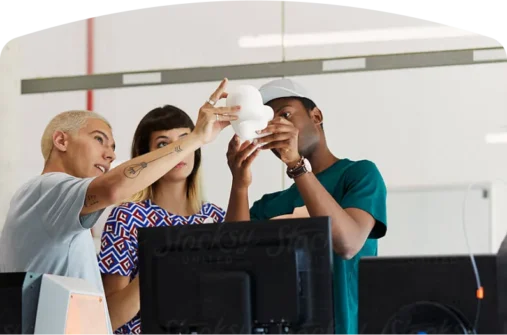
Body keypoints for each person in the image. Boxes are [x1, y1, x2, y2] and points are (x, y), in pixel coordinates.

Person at [0, 78, 238, 331]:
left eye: (113, 146)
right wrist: (196, 138)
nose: (111, 154)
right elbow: (113, 188)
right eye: (99, 139)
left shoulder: (50, 205)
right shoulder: (47, 189)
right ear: (61, 141)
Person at [225, 78, 387, 335]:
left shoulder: (358, 175)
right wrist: (239, 184)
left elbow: (347, 243)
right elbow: (234, 262)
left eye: (286, 114)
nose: (278, 126)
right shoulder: (269, 205)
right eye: (268, 124)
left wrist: (296, 165)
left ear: (316, 116)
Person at [97, 105, 227, 334]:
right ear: (146, 156)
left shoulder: (215, 217)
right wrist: (160, 264)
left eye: (185, 141)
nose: (179, 151)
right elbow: (109, 318)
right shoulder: (127, 217)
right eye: (163, 144)